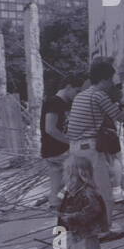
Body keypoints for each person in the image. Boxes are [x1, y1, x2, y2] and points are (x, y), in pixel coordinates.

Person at [66, 61, 124, 237]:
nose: (113, 83)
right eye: (111, 79)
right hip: (90, 149)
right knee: (104, 191)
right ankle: (104, 230)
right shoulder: (99, 96)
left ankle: (88, 226)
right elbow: (120, 117)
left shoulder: (81, 96)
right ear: (105, 79)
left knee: (86, 192)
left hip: (75, 148)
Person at [56, 154, 115, 249]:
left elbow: (93, 210)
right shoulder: (70, 190)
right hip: (74, 232)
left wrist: (73, 216)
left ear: (80, 173)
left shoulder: (88, 192)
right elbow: (62, 206)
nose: (66, 176)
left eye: (69, 173)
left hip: (84, 233)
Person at [40, 74, 85, 209]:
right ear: (68, 86)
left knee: (57, 186)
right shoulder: (54, 102)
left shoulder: (61, 103)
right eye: (77, 91)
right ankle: (71, 207)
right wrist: (71, 143)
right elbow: (50, 129)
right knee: (80, 177)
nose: (78, 95)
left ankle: (57, 206)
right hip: (57, 150)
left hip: (51, 150)